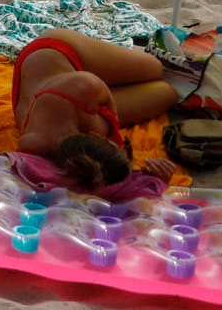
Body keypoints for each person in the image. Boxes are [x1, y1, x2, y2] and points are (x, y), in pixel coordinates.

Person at [11, 29, 179, 192]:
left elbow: (108, 102)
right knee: (169, 92)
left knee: (156, 68)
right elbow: (91, 184)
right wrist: (153, 179)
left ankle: (134, 64)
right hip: (66, 95)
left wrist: (114, 126)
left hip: (54, 51)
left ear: (96, 136)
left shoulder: (86, 86)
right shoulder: (43, 145)